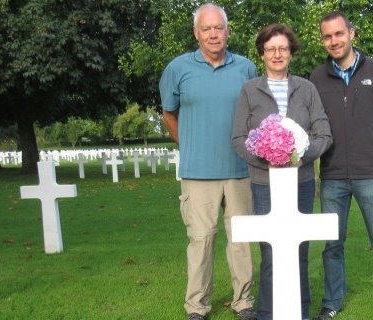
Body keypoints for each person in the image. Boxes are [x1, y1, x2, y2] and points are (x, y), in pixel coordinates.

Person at [158, 3, 257, 320]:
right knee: (200, 241)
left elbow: (255, 114)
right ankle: (197, 307)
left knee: (240, 240)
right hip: (198, 174)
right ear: (196, 33)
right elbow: (168, 112)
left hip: (240, 170)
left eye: (219, 28)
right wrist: (188, 144)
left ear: (228, 32)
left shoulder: (246, 68)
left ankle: (244, 302)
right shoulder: (178, 69)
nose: (213, 34)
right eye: (206, 29)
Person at [232, 23, 332, 320]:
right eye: (271, 49)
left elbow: (323, 133)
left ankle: (299, 312)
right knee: (271, 253)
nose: (277, 54)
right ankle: (267, 314)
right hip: (265, 184)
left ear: (291, 52)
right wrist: (270, 160)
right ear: (262, 53)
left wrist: (302, 156)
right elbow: (238, 139)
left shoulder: (307, 89)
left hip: (300, 181)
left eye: (283, 49)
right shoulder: (250, 90)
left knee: (298, 251)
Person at [309, 11, 373, 320]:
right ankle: (332, 301)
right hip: (333, 175)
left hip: (371, 175)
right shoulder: (317, 78)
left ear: (352, 33)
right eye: (327, 36)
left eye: (339, 34)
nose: (333, 41)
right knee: (332, 245)